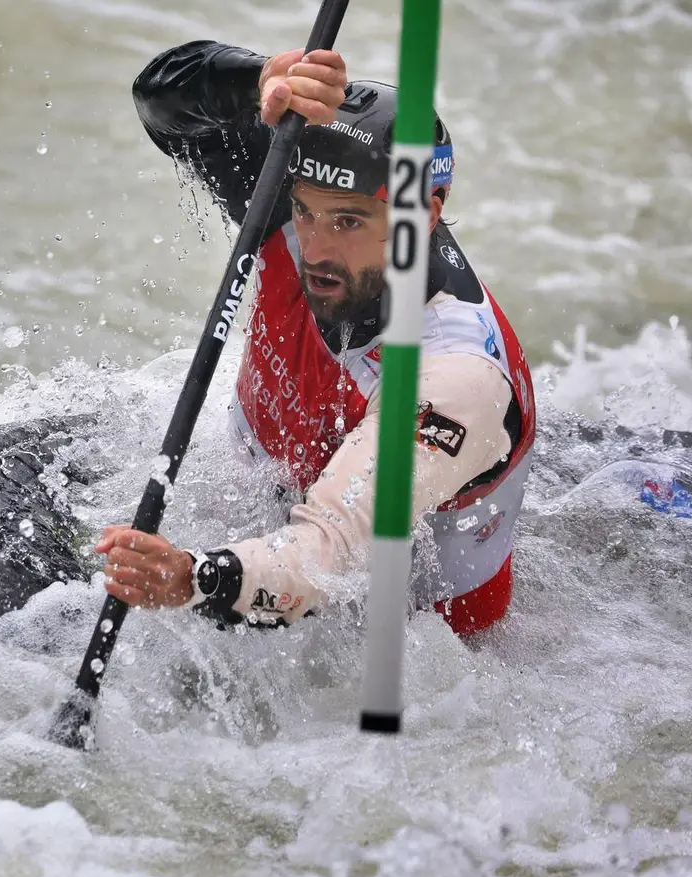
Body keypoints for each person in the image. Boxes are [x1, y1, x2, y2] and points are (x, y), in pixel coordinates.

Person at [95, 40, 536, 635]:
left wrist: (191, 577)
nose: (318, 250)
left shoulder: (457, 378)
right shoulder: (294, 185)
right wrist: (255, 84)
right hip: (258, 494)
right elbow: (159, 102)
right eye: (306, 213)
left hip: (413, 633)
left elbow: (331, 553)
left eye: (349, 221)